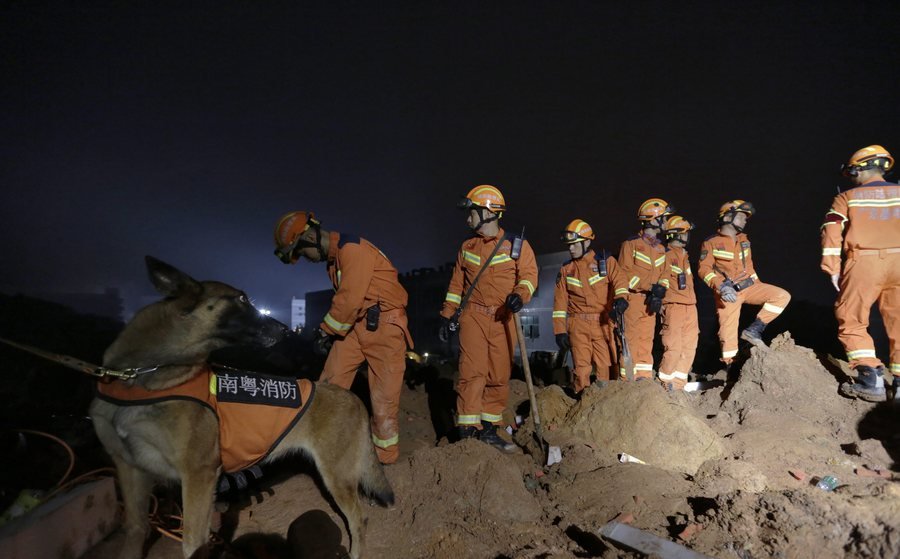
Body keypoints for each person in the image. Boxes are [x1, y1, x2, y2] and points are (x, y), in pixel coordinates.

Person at [273, 211, 413, 464]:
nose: (307, 259)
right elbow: (350, 303)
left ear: (310, 237)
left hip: (385, 327)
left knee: (383, 400)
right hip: (356, 325)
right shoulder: (334, 261)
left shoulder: (352, 250)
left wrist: (325, 331)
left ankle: (385, 461)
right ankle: (322, 447)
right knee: (329, 385)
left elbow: (349, 298)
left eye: (303, 253)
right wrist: (329, 331)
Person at [438, 185, 538, 452]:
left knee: (499, 374)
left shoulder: (517, 246)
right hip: (473, 316)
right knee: (472, 372)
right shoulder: (467, 247)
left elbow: (529, 277)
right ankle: (468, 432)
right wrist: (447, 315)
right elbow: (456, 286)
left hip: (503, 318)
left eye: (472, 212)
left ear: (487, 212)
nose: (468, 219)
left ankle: (489, 429)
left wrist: (520, 295)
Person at [822, 145, 899, 401]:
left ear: (858, 169)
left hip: (864, 262)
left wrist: (832, 267)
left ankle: (871, 379)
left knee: (851, 317)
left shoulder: (847, 197)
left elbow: (832, 230)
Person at [698, 200, 791, 365]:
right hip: (728, 292)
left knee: (782, 296)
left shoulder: (744, 240)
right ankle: (730, 365)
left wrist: (758, 285)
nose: (745, 221)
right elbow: (703, 269)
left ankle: (754, 330)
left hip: (749, 287)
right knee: (728, 330)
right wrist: (721, 287)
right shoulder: (711, 242)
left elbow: (749, 267)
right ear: (728, 217)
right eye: (741, 217)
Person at [553, 219, 629, 394]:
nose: (571, 248)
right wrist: (559, 331)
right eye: (569, 245)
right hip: (577, 326)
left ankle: (604, 401)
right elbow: (559, 303)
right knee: (581, 369)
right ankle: (582, 399)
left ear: (587, 242)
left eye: (575, 244)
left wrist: (621, 298)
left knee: (605, 367)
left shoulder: (605, 262)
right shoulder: (566, 270)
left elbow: (620, 280)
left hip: (602, 323)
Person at [616, 198, 672, 380]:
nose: (666, 221)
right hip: (633, 300)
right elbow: (624, 274)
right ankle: (627, 382)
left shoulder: (662, 249)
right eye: (664, 217)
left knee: (646, 341)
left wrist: (660, 291)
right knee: (630, 341)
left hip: (651, 302)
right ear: (653, 219)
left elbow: (666, 273)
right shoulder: (630, 244)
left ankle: (644, 380)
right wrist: (650, 287)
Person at [657, 215, 699, 391]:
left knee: (689, 347)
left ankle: (679, 386)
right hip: (673, 306)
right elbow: (661, 280)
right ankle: (665, 384)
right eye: (685, 232)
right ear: (677, 234)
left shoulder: (684, 256)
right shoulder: (664, 254)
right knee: (673, 347)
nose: (688, 236)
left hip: (690, 306)